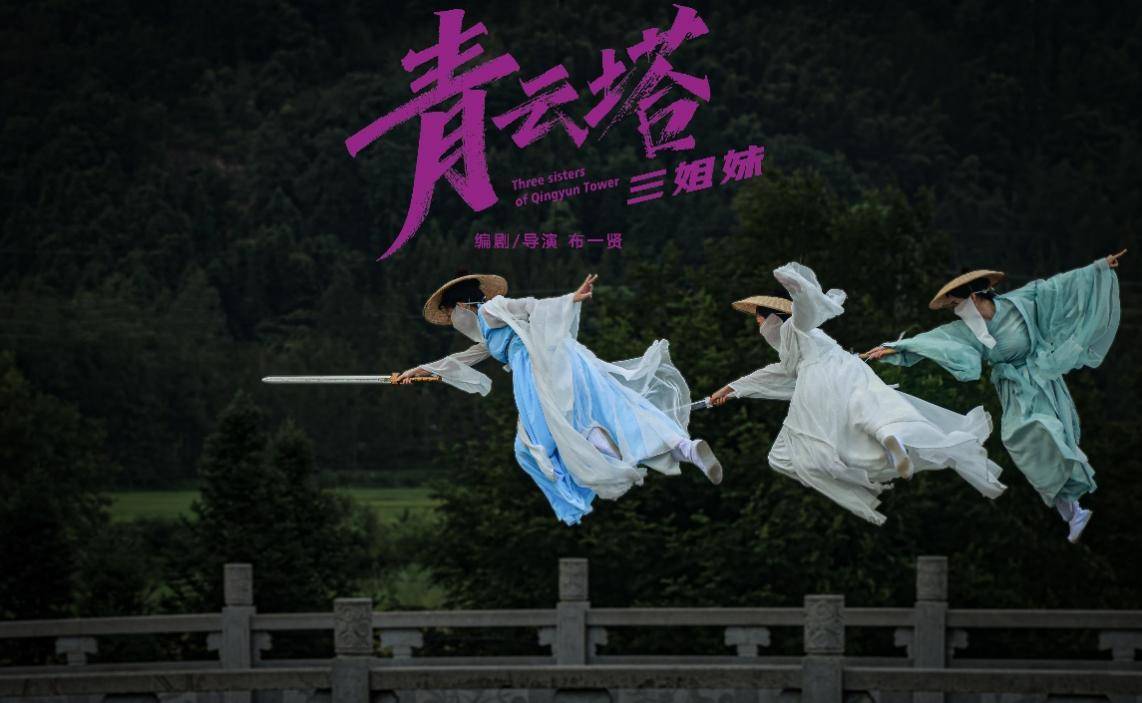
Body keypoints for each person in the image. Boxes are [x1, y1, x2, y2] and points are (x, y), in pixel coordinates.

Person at [397, 272, 722, 525]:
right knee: (608, 411)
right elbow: (463, 358)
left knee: (535, 445)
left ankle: (616, 464)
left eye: (450, 311)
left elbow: (530, 305)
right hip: (558, 361)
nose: (452, 319)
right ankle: (684, 448)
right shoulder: (489, 330)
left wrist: (570, 299)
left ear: (462, 305)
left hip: (538, 367)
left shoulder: (493, 309)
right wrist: (415, 371)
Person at [707, 263, 1005, 525]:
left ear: (772, 316)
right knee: (869, 409)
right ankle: (889, 438)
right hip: (848, 369)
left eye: (759, 319)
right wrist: (730, 390)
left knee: (788, 454)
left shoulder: (796, 329)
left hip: (819, 380)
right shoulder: (793, 346)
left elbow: (803, 314)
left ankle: (853, 472)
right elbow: (772, 374)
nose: (758, 324)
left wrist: (796, 287)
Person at [863, 250, 1126, 542]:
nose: (955, 311)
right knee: (1021, 443)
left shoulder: (1021, 303)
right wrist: (893, 347)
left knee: (1045, 431)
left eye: (957, 304)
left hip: (1040, 380)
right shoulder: (966, 330)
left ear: (974, 298)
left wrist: (1099, 268)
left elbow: (1059, 286)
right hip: (1013, 390)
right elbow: (936, 340)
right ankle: (1072, 512)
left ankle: (1073, 495)